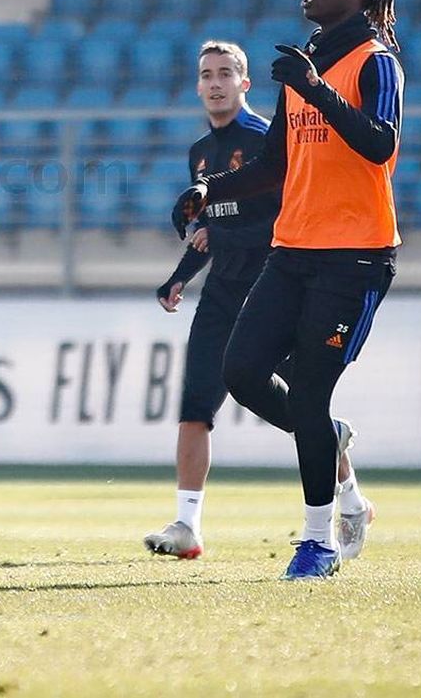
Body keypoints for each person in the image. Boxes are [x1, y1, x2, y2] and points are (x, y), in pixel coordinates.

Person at [171, 0, 401, 581]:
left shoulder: (375, 62)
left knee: (308, 391)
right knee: (241, 371)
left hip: (355, 256)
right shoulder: (305, 68)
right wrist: (207, 192)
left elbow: (380, 145)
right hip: (294, 250)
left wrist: (318, 89)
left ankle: (319, 541)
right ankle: (335, 451)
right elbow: (274, 164)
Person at [143, 41, 279, 560]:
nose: (215, 82)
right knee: (195, 404)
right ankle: (187, 524)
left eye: (226, 73)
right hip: (223, 290)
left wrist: (219, 239)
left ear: (245, 83)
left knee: (302, 407)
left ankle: (350, 495)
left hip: (272, 287)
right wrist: (179, 277)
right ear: (198, 86)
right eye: (207, 74)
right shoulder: (200, 152)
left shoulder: (267, 142)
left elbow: (285, 225)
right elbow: (209, 229)